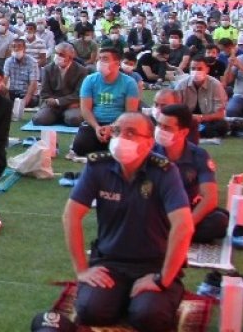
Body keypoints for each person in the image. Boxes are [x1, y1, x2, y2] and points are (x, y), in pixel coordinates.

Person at [62, 113, 192, 331]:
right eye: (116, 131)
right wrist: (82, 270)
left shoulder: (165, 172)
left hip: (153, 265)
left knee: (149, 317)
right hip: (110, 262)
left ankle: (149, 297)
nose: (121, 137)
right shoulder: (98, 167)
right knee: (91, 311)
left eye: (131, 133)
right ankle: (120, 298)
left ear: (149, 142)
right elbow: (71, 215)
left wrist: (162, 279)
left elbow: (184, 226)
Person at [154, 104, 229, 243]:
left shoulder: (198, 155)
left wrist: (185, 226)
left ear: (183, 132)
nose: (160, 130)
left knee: (220, 220)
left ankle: (167, 233)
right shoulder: (149, 150)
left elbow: (210, 198)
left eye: (167, 128)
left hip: (185, 210)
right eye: (159, 125)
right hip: (154, 210)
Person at [72, 48, 142, 157]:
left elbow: (130, 113)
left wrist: (112, 128)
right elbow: (85, 109)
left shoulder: (129, 83)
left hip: (119, 124)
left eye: (105, 59)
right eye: (99, 59)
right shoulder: (89, 80)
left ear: (117, 63)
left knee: (124, 148)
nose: (100, 62)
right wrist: (96, 127)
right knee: (80, 147)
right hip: (95, 123)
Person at [34, 43, 87, 127]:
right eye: (56, 53)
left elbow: (78, 94)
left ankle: (63, 116)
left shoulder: (81, 70)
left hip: (72, 105)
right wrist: (51, 101)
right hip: (52, 106)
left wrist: (58, 102)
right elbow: (44, 92)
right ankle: (56, 116)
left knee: (74, 120)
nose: (57, 56)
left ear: (70, 57)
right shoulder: (48, 69)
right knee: (39, 120)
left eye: (61, 54)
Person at [174, 58, 229, 138]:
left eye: (199, 69)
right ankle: (198, 132)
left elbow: (220, 114)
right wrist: (189, 118)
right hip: (187, 119)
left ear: (207, 70)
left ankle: (191, 132)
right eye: (193, 68)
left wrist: (201, 118)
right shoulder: (181, 85)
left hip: (207, 120)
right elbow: (175, 109)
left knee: (222, 125)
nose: (196, 72)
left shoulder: (216, 85)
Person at [3, 38, 39, 109]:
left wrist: (26, 100)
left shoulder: (32, 62)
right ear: (11, 48)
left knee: (32, 101)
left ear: (24, 48)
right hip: (13, 92)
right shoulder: (8, 61)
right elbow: (5, 79)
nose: (16, 48)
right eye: (13, 46)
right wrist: (5, 95)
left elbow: (33, 83)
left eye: (19, 46)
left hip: (26, 93)